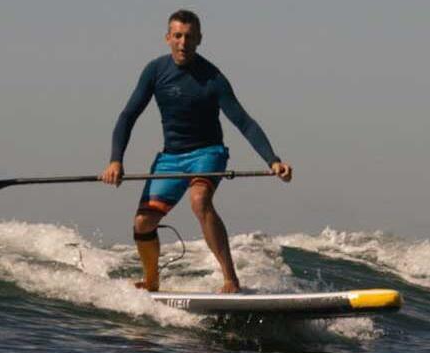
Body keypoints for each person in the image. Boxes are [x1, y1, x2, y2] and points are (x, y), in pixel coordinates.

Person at [99, 9, 294, 293]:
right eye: (177, 36)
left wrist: (273, 160)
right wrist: (115, 160)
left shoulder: (212, 78)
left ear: (199, 39)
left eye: (189, 37)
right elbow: (128, 116)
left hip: (208, 152)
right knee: (143, 222)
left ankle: (230, 279)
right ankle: (152, 280)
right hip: (171, 158)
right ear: (167, 38)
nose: (183, 42)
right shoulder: (155, 71)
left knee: (199, 200)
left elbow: (243, 121)